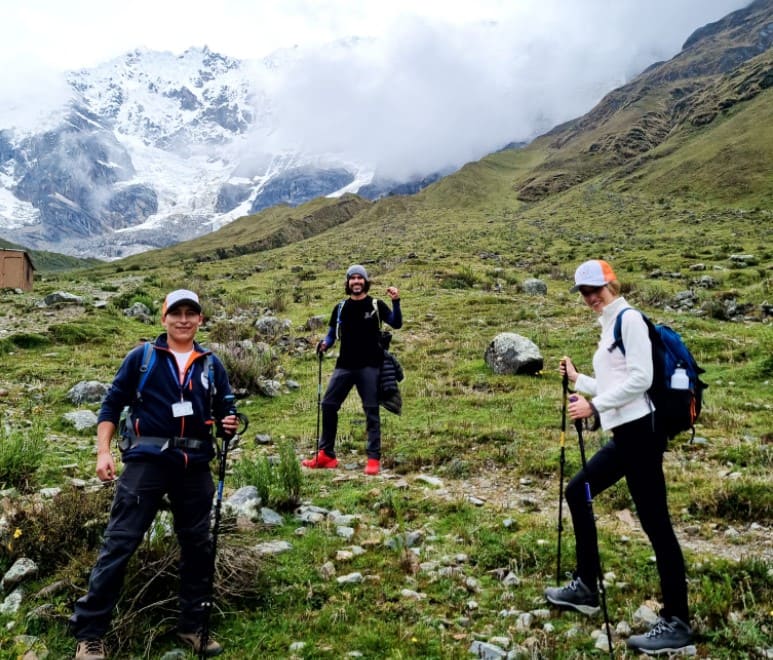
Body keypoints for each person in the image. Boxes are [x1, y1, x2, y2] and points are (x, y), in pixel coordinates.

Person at [70, 289, 238, 660]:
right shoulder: (142, 357)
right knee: (120, 542)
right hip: (146, 462)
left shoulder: (212, 364)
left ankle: (192, 625)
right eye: (175, 312)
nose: (183, 319)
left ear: (200, 320)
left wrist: (230, 423)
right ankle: (90, 633)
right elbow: (111, 403)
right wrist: (103, 451)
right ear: (163, 318)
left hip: (194, 465)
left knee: (198, 546)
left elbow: (228, 410)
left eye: (190, 313)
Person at [544, 260, 694, 655]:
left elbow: (642, 379)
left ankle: (678, 620)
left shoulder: (629, 320)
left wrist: (593, 407)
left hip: (640, 437)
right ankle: (587, 588)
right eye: (584, 291)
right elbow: (618, 382)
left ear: (612, 283)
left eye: (596, 288)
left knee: (656, 524)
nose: (591, 297)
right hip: (625, 437)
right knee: (579, 492)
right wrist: (580, 381)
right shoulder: (609, 326)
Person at [303, 264, 402, 476]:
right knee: (328, 405)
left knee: (371, 411)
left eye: (360, 278)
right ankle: (326, 455)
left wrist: (396, 301)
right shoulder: (340, 308)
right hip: (344, 365)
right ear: (348, 283)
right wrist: (324, 344)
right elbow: (332, 334)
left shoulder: (376, 304)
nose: (356, 282)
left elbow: (396, 323)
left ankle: (373, 458)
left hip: (369, 366)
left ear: (365, 282)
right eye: (352, 278)